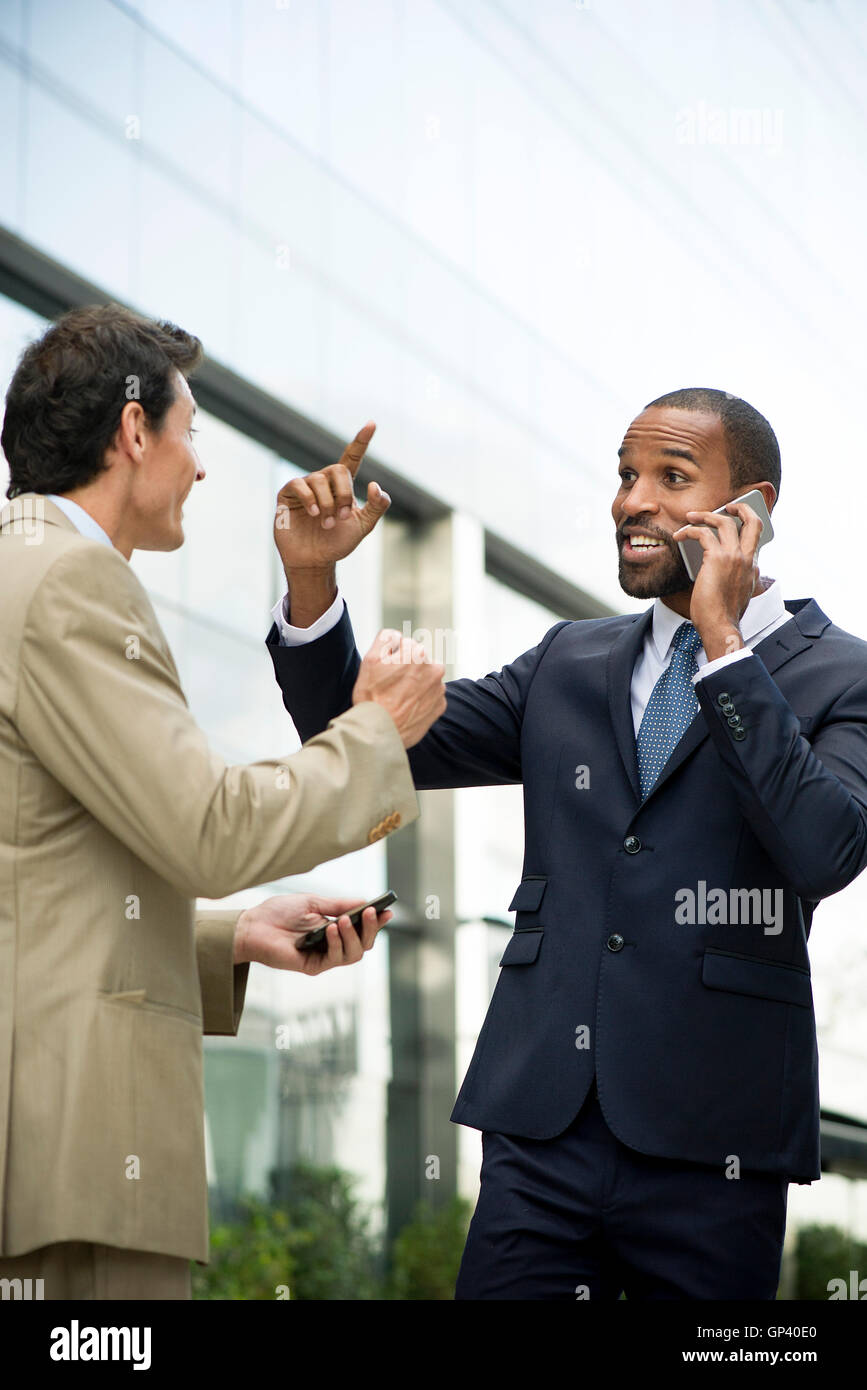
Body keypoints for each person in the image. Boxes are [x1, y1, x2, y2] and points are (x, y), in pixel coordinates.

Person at [264, 388, 867, 1300]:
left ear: (751, 511)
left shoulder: (842, 673)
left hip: (716, 1140)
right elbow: (368, 737)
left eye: (670, 477)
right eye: (626, 477)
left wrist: (722, 642)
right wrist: (313, 584)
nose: (632, 501)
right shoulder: (566, 661)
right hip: (540, 1130)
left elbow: (825, 847)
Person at [0, 303, 446, 1300]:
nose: (200, 465)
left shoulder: (20, 572)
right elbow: (204, 828)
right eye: (189, 430)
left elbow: (34, 884)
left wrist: (233, 936)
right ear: (131, 431)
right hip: (72, 1156)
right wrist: (377, 729)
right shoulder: (70, 580)